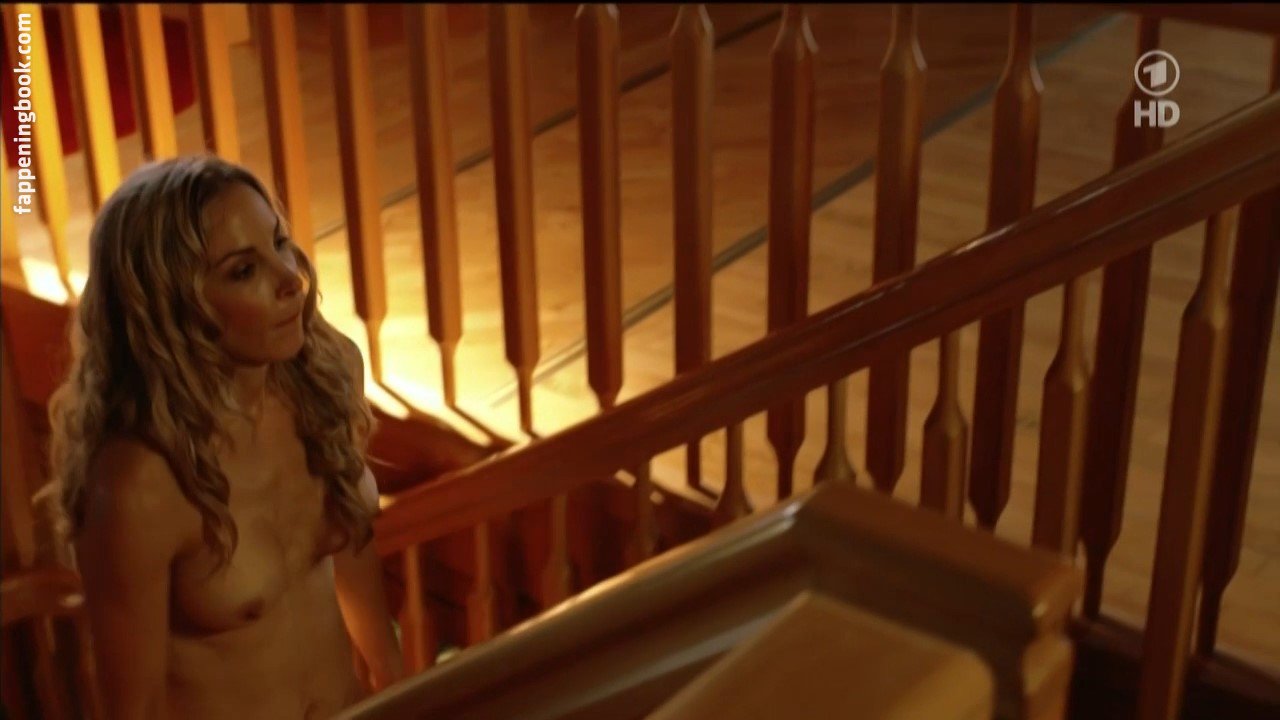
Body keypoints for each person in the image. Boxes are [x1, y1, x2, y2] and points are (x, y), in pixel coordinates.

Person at [44, 155, 430, 719]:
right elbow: (137, 709)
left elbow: (350, 546)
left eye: (279, 243)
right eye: (243, 270)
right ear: (170, 306)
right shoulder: (139, 484)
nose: (290, 280)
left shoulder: (327, 375)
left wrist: (395, 688)